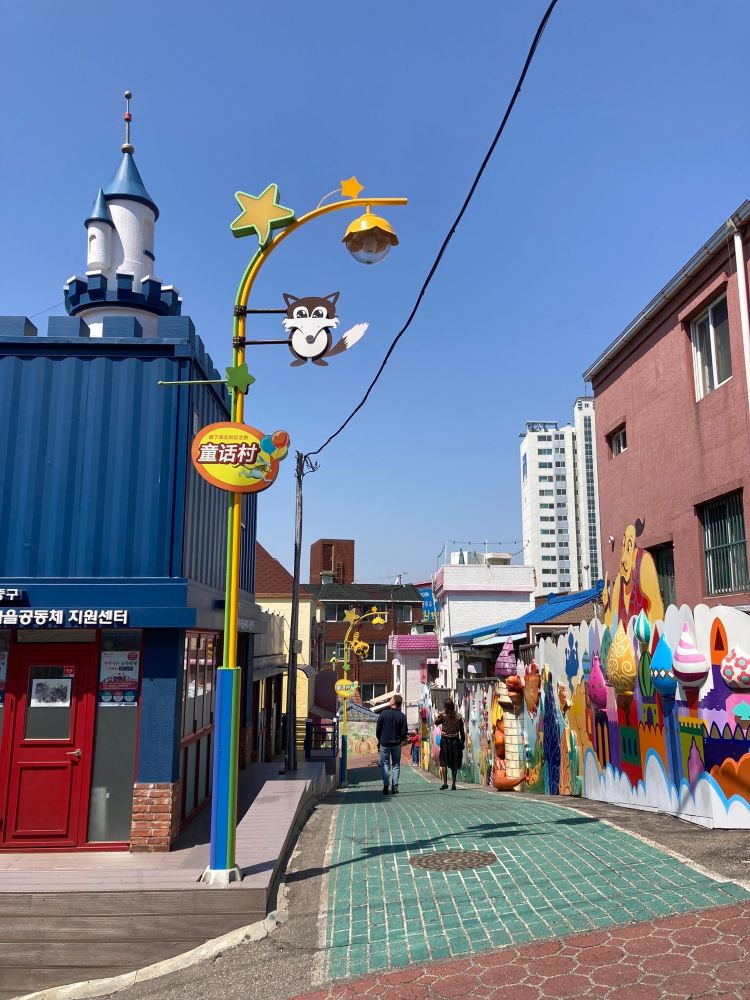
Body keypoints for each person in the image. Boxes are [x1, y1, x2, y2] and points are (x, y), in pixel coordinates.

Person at [376, 694, 409, 795]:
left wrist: (380, 739)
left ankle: (386, 785)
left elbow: (378, 728)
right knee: (396, 765)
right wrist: (400, 740)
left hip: (384, 743)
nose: (389, 700)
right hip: (396, 744)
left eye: (391, 699)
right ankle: (395, 787)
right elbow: (404, 731)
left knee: (385, 763)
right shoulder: (402, 716)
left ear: (394, 702)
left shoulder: (383, 714)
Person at [434, 699, 465, 790]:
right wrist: (462, 742)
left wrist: (440, 714)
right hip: (455, 741)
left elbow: (436, 722)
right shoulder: (458, 716)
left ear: (445, 707)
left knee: (444, 761)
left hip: (445, 741)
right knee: (454, 762)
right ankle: (454, 784)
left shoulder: (443, 716)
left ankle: (445, 783)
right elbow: (462, 732)